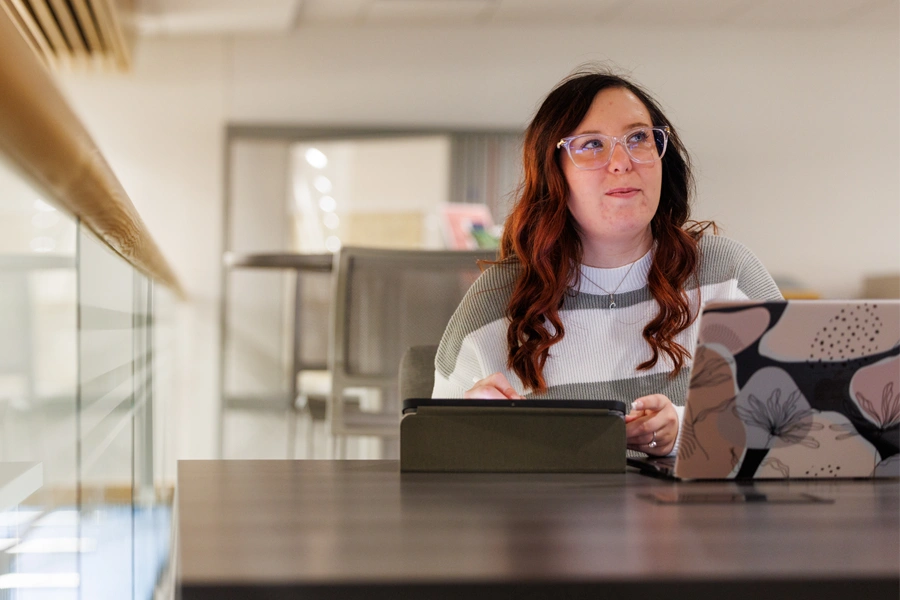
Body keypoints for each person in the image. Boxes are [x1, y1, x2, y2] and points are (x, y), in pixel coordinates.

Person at [431, 68, 783, 456]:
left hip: (703, 516)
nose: (621, 162)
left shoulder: (727, 274)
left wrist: (683, 428)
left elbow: (806, 420)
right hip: (552, 515)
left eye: (638, 138)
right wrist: (469, 427)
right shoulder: (497, 298)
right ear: (554, 173)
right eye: (592, 145)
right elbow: (431, 449)